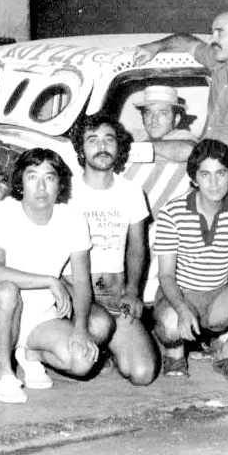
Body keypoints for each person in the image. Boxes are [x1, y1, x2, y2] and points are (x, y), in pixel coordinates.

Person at [0, 148, 98, 403]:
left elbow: (83, 283)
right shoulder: (2, 213)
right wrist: (49, 280)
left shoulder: (73, 219)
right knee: (8, 291)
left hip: (42, 318)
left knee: (81, 361)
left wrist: (80, 329)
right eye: (32, 176)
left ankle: (29, 354)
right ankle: (4, 372)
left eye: (49, 177)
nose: (41, 187)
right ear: (20, 181)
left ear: (59, 183)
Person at [152, 139, 228, 381]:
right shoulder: (172, 212)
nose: (213, 182)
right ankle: (174, 353)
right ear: (194, 178)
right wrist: (181, 308)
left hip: (220, 296)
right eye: (205, 174)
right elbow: (165, 275)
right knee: (170, 323)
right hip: (181, 293)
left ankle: (227, 354)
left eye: (221, 173)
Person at [131, 12, 228, 195]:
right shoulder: (219, 63)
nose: (212, 39)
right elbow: (188, 43)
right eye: (212, 33)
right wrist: (156, 46)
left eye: (220, 33)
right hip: (206, 178)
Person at [65, 113, 157, 385]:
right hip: (77, 295)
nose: (101, 146)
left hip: (115, 297)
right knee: (96, 325)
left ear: (119, 148)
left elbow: (138, 248)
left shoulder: (131, 192)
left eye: (109, 139)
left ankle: (108, 350)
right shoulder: (66, 192)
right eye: (92, 140)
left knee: (143, 373)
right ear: (81, 149)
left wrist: (132, 292)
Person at [130, 85, 197, 163]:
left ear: (176, 119)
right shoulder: (136, 136)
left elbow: (190, 150)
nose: (154, 119)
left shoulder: (184, 137)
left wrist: (146, 145)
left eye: (163, 113)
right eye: (148, 113)